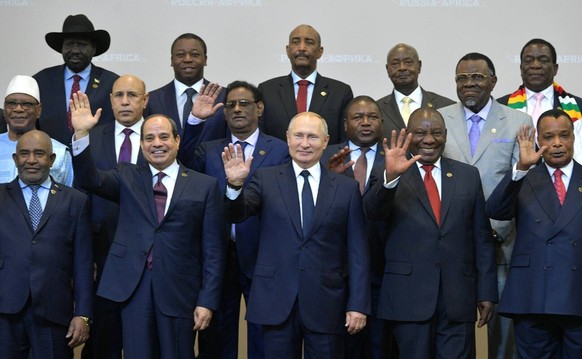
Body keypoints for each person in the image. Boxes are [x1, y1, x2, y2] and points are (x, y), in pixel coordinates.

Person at [70, 93, 225, 358]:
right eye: (149, 138)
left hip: (180, 291)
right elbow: (89, 179)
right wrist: (82, 135)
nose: (157, 144)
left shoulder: (204, 186)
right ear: (141, 145)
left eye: (164, 137)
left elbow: (213, 251)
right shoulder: (127, 175)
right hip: (134, 288)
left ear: (177, 141)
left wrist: (207, 301)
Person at [223, 112, 370, 359]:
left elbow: (358, 251)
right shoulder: (266, 179)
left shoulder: (346, 188)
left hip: (326, 303)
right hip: (276, 300)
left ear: (325, 141)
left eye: (312, 137)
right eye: (299, 136)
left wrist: (358, 304)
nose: (304, 143)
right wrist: (235, 185)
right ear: (287, 138)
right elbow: (237, 214)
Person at [364, 108, 497, 359]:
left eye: (436, 132)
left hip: (457, 298)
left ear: (445, 135)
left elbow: (481, 237)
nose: (428, 139)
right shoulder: (389, 170)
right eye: (420, 133)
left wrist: (487, 291)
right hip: (408, 298)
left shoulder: (467, 175)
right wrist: (390, 178)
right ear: (408, 135)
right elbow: (371, 213)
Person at [182, 80, 289, 359]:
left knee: (263, 337)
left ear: (260, 108)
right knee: (217, 338)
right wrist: (194, 122)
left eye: (245, 103)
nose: (237, 109)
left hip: (263, 255)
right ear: (224, 112)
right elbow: (183, 165)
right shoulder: (209, 149)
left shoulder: (279, 150)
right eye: (231, 105)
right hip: (218, 257)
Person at [438, 52, 533, 359]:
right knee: (452, 336)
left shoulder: (519, 121)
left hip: (501, 246)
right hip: (451, 248)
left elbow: (524, 185)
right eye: (462, 78)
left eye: (477, 77)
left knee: (503, 341)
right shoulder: (439, 119)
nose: (469, 84)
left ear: (493, 81)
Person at [486, 109, 582, 358]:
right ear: (538, 139)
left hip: (577, 293)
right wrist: (520, 169)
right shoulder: (524, 177)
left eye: (564, 136)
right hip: (533, 295)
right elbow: (496, 210)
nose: (558, 143)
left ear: (573, 138)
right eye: (549, 137)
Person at [0, 130, 93, 358]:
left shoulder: (75, 201)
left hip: (54, 311)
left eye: (39, 153)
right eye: (24, 154)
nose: (31, 160)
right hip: (4, 311)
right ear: (15, 159)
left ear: (52, 159)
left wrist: (83, 314)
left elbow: (83, 264)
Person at [79, 75, 148, 359]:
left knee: (144, 341)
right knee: (103, 341)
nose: (125, 101)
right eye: (118, 95)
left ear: (145, 100)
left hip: (150, 254)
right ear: (110, 100)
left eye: (132, 95)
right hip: (102, 251)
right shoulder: (91, 138)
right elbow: (83, 189)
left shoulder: (160, 137)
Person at [322, 96, 395, 359]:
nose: (365, 123)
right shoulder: (324, 157)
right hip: (333, 276)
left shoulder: (397, 158)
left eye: (372, 117)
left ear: (382, 122)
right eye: (357, 117)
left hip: (383, 274)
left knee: (380, 349)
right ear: (344, 124)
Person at [259, 24, 353, 144]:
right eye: (296, 42)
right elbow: (262, 139)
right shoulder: (267, 91)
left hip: (325, 162)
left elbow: (344, 141)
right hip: (278, 162)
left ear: (320, 52)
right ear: (287, 50)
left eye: (309, 42)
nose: (302, 48)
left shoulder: (341, 92)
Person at [34, 14, 118, 146]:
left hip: (96, 163)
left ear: (94, 48)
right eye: (69, 44)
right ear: (61, 48)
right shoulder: (41, 81)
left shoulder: (112, 83)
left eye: (82, 44)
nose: (75, 50)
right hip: (51, 161)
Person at [145, 33, 227, 144]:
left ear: (205, 59)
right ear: (171, 60)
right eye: (180, 55)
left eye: (195, 54)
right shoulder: (153, 100)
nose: (187, 59)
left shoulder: (224, 96)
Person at [0, 75, 73, 185]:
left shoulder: (59, 152)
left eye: (26, 104)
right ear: (4, 109)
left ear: (38, 110)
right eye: (12, 104)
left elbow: (67, 197)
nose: (18, 109)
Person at [377, 43, 455, 142]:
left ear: (419, 66)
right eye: (395, 64)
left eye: (408, 62)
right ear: (387, 69)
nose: (402, 68)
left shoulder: (446, 106)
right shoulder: (376, 110)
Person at [498, 38, 582, 126]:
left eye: (543, 60)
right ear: (521, 68)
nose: (535, 65)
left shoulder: (579, 106)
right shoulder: (500, 107)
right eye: (528, 61)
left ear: (555, 69)